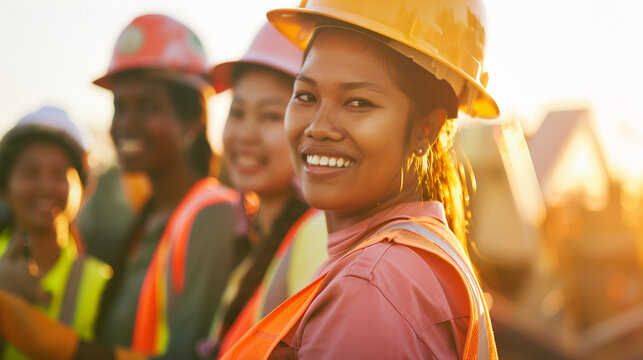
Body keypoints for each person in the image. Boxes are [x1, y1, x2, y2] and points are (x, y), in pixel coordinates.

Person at [221, 0, 499, 359]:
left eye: (357, 103)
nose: (318, 127)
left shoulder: (371, 286)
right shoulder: (399, 266)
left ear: (424, 130)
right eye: (306, 96)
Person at [0, 14, 241, 360]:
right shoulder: (150, 219)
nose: (126, 124)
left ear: (192, 121)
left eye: (147, 106)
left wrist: (68, 350)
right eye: (120, 107)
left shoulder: (212, 214)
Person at [198, 23, 327, 359]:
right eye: (237, 113)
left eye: (270, 116)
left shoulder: (317, 235)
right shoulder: (253, 253)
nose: (245, 134)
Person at [0, 106, 112, 359]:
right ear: (5, 186)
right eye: (30, 172)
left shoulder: (103, 284)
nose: (45, 187)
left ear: (83, 190)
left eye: (60, 173)